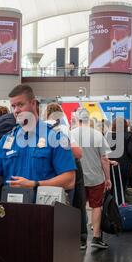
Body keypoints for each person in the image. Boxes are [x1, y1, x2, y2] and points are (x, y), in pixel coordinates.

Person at [0, 84, 76, 196]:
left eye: (20, 105)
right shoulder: (6, 140)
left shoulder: (56, 137)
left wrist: (35, 184)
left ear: (33, 103)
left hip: (43, 208)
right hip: (11, 208)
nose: (16, 110)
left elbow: (70, 180)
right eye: (13, 106)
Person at [45, 103, 87, 249]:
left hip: (46, 174)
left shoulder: (40, 128)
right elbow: (78, 153)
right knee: (75, 203)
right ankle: (78, 238)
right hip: (65, 171)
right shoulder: (62, 128)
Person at [71, 108, 112, 249]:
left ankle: (80, 239)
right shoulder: (97, 135)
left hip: (77, 178)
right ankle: (96, 237)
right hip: (96, 178)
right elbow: (104, 159)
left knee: (79, 207)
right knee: (96, 206)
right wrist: (108, 178)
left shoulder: (70, 135)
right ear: (89, 120)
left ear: (77, 119)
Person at [107, 117, 132, 196]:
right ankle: (120, 206)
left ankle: (110, 206)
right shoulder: (128, 136)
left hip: (109, 167)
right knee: (121, 189)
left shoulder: (108, 136)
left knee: (110, 189)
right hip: (124, 167)